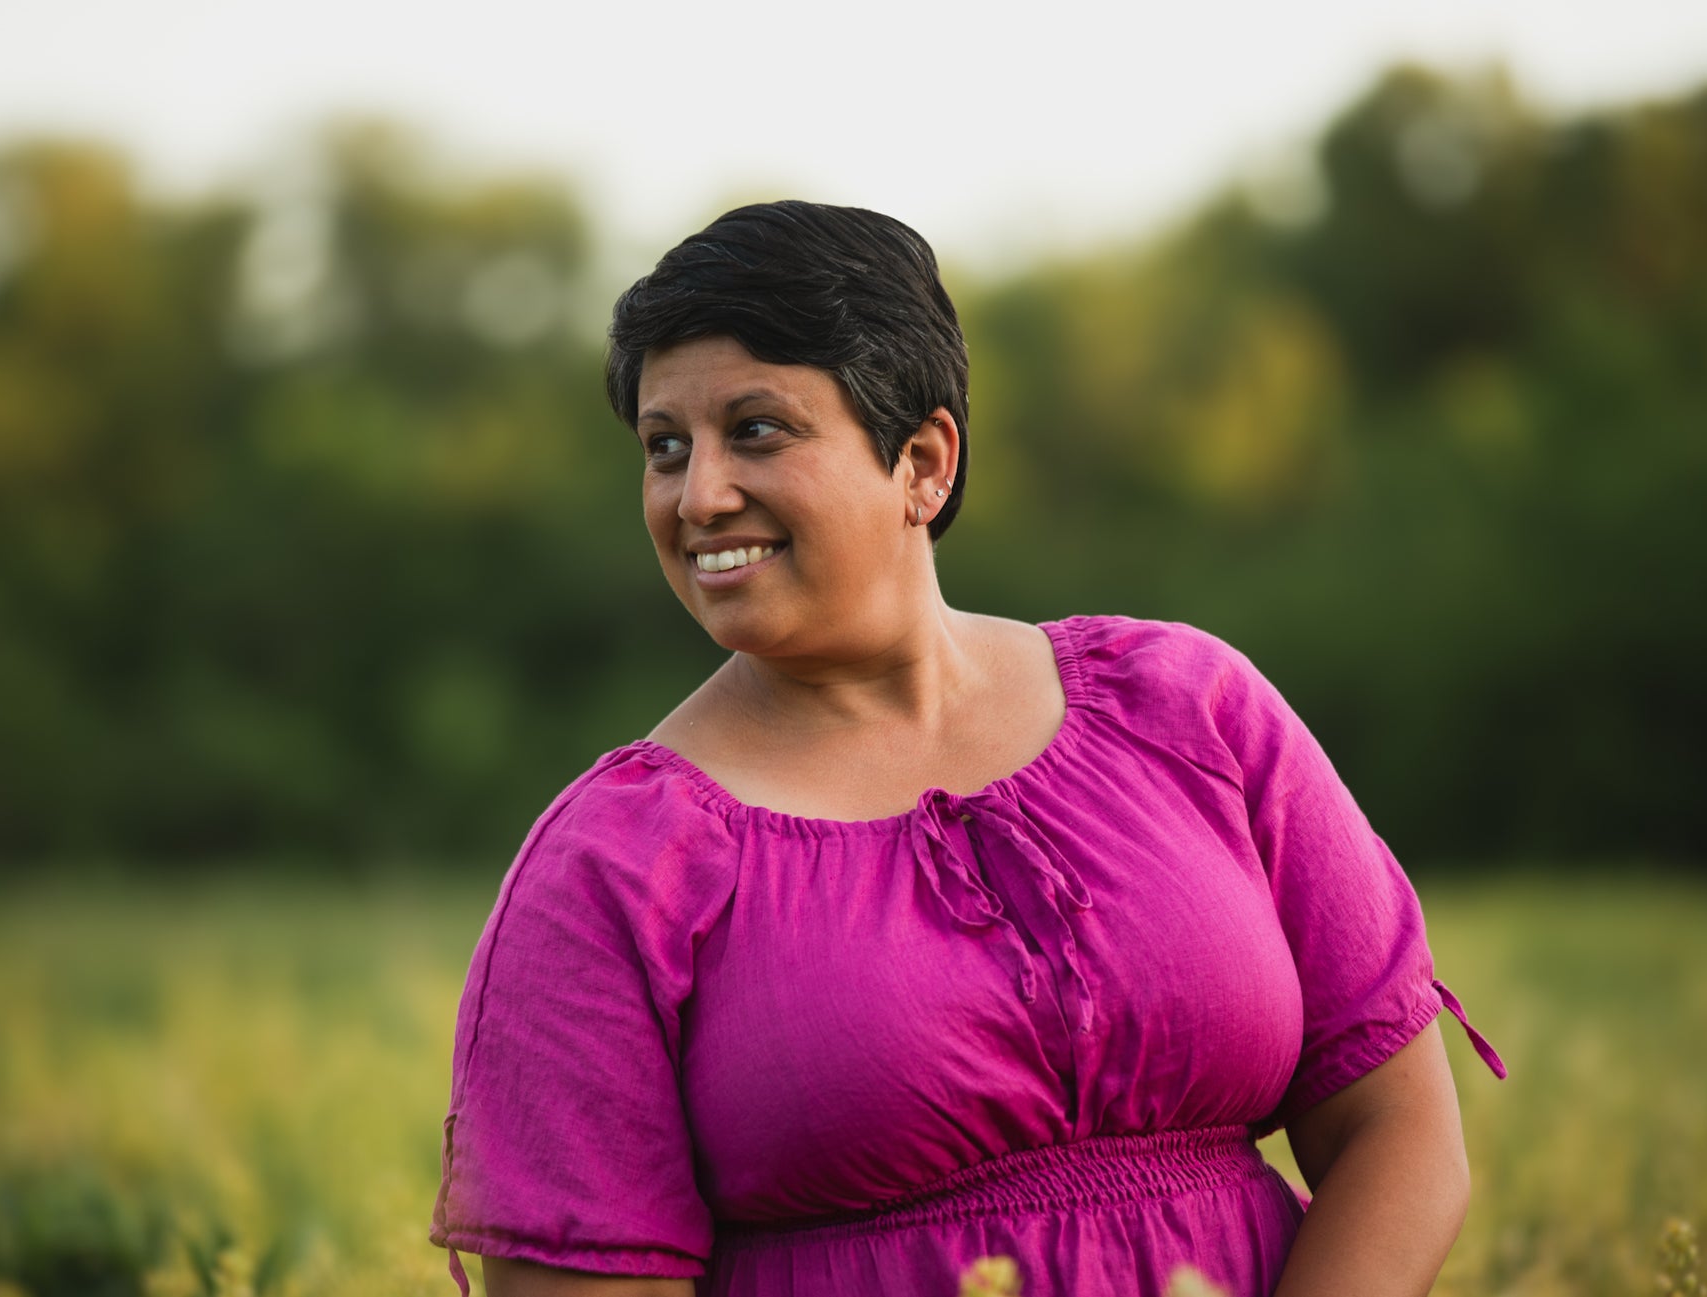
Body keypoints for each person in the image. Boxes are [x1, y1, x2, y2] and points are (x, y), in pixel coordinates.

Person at [430, 201, 1506, 1297]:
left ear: (922, 460)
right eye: (665, 448)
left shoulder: (1188, 710)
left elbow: (1399, 1133)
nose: (698, 495)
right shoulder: (609, 867)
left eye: (756, 430)